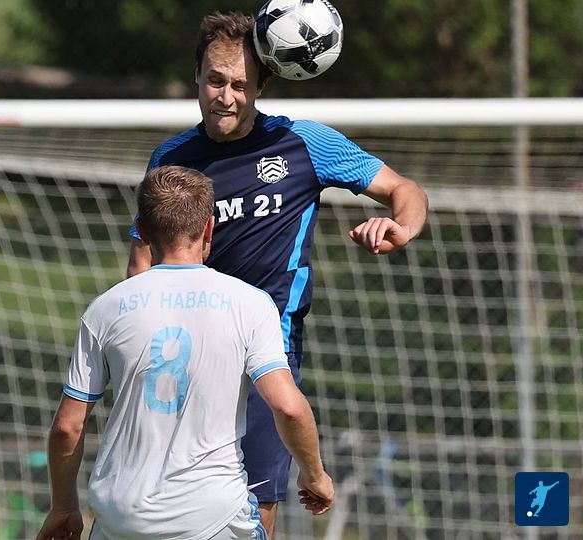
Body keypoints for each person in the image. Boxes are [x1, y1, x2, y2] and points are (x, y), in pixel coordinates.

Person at [125, 12, 428, 538]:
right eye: (215, 80)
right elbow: (141, 263)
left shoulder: (303, 143)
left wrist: (399, 227)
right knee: (164, 509)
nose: (226, 96)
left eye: (240, 84)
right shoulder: (172, 157)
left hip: (265, 353)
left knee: (255, 510)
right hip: (182, 357)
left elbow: (406, 190)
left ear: (262, 86)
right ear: (196, 75)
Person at [38, 165, 334, 540]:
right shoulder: (250, 304)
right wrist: (314, 474)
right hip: (214, 517)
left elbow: (67, 427)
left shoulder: (106, 308)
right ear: (209, 227)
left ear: (142, 231)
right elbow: (288, 407)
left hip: (121, 517)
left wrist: (64, 507)